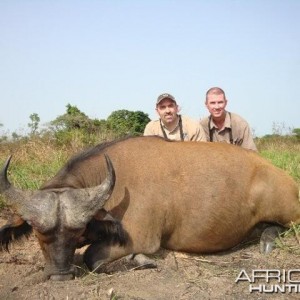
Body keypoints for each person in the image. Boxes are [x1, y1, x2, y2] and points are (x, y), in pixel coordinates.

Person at [200, 87, 257, 151]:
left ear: (226, 103)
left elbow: (251, 154)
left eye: (220, 102)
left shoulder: (240, 124)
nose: (217, 107)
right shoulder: (201, 126)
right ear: (206, 105)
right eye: (212, 103)